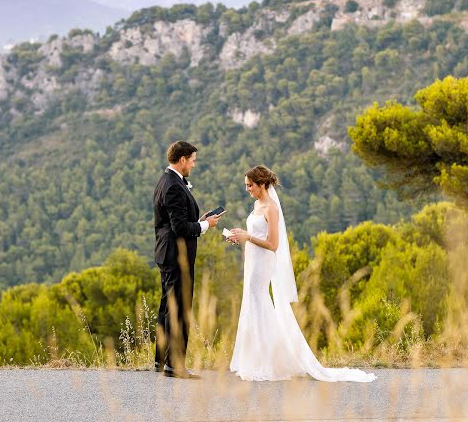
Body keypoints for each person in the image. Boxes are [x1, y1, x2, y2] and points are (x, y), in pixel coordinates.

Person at [228, 165, 377, 383]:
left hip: (262, 262)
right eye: (246, 185)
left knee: (258, 300)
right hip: (252, 260)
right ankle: (256, 359)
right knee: (252, 302)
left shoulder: (271, 208)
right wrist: (239, 236)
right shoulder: (256, 204)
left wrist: (247, 237)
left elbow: (273, 244)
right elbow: (254, 233)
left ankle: (268, 361)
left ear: (262, 184)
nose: (247, 189)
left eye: (250, 185)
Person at [153, 141, 222, 379]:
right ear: (182, 159)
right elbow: (180, 227)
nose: (193, 164)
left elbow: (178, 220)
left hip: (166, 254)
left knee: (167, 306)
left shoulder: (166, 180)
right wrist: (206, 225)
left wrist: (199, 219)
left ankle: (161, 360)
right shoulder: (173, 186)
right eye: (192, 160)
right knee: (179, 308)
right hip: (176, 255)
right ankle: (175, 364)